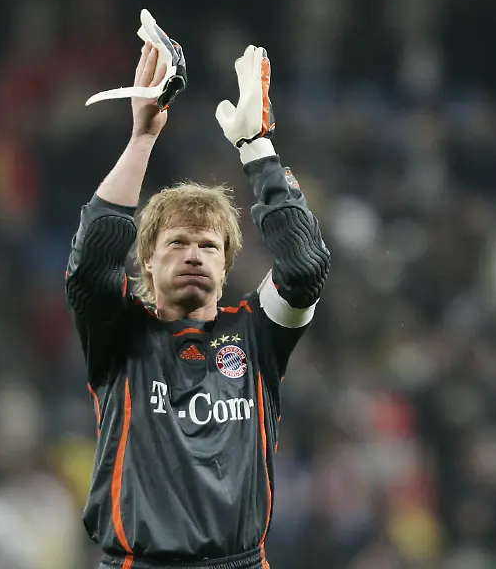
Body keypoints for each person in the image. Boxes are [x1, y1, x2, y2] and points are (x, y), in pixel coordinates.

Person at [65, 30, 331, 569]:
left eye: (208, 245)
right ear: (146, 262)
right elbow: (91, 264)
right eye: (177, 243)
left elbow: (304, 268)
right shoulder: (119, 334)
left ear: (226, 264)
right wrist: (142, 137)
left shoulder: (257, 334)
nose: (193, 255)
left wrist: (257, 148)